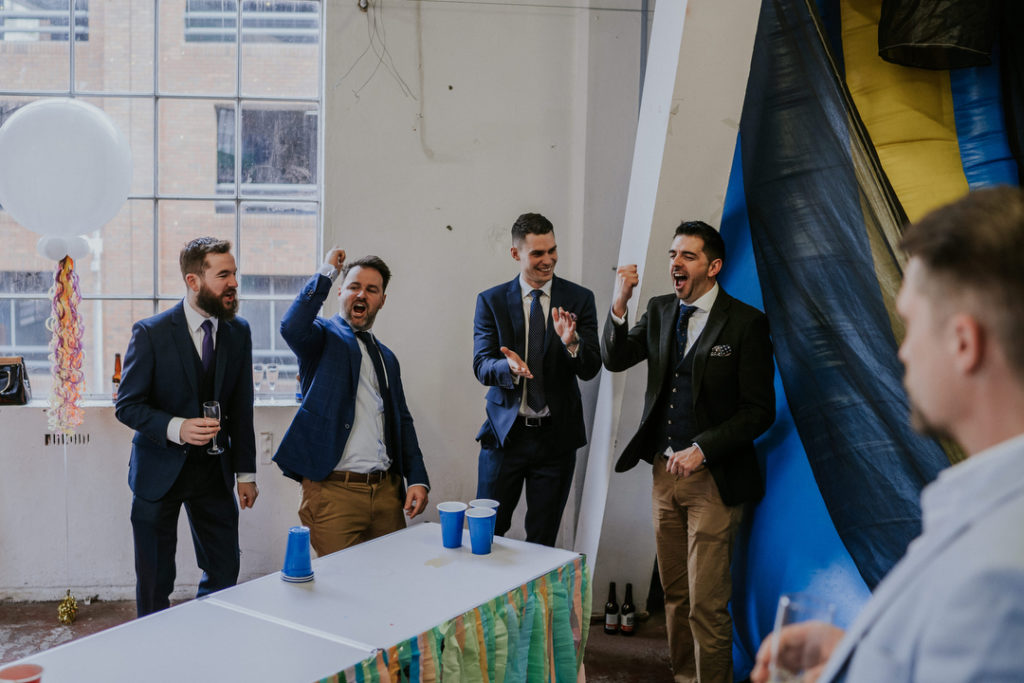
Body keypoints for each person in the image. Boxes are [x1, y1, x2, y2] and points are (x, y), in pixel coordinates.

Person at [751, 186, 1024, 683]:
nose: (903, 353)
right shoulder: (987, 511)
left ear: (963, 343)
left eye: (910, 325)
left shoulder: (997, 581)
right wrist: (860, 657)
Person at [602, 220, 776, 683]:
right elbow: (615, 358)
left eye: (688, 256)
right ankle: (684, 678)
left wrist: (703, 449)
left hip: (713, 482)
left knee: (706, 605)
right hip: (663, 477)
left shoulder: (746, 323)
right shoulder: (660, 310)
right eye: (673, 255)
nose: (675, 264)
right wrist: (618, 305)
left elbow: (760, 411)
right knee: (674, 595)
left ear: (714, 267)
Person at [116, 237, 258, 617]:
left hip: (214, 473)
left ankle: (207, 639)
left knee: (224, 569)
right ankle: (154, 653)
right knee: (155, 578)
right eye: (223, 275)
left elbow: (243, 408)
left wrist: (245, 473)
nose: (233, 283)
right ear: (194, 281)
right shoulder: (151, 332)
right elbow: (127, 406)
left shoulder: (239, 332)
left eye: (235, 273)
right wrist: (177, 427)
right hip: (157, 473)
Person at [273, 248, 429, 556]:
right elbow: (292, 326)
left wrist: (418, 479)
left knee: (389, 583)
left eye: (372, 290)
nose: (362, 294)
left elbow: (402, 421)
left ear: (382, 300)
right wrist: (327, 271)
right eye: (355, 286)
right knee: (339, 593)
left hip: (386, 494)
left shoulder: (387, 358)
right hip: (333, 494)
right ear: (341, 291)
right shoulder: (322, 337)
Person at [472, 212, 601, 547]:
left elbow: (590, 368)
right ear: (516, 255)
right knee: (484, 537)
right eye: (538, 254)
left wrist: (572, 342)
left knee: (542, 542)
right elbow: (481, 364)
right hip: (505, 438)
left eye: (553, 251)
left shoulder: (579, 299)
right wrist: (508, 369)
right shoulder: (491, 300)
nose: (549, 260)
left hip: (555, 441)